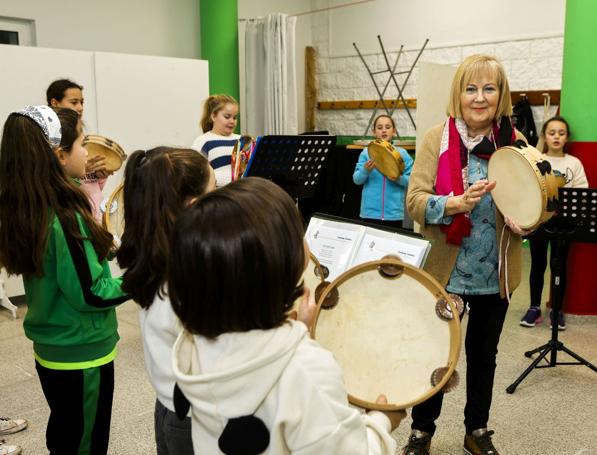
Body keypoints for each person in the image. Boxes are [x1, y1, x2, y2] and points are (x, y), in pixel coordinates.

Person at [168, 177, 404, 454]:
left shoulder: (193, 341)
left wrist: (296, 331)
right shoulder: (308, 370)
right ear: (278, 261)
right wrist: (381, 423)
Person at [405, 54, 528, 455]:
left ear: (501, 95)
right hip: (447, 273)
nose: (479, 97)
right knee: (437, 352)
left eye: (489, 88)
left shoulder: (517, 145)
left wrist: (529, 222)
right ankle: (421, 433)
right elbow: (415, 202)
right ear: (457, 94)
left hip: (495, 274)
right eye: (470, 88)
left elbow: (538, 202)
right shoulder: (434, 139)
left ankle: (476, 430)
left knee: (483, 358)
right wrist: (453, 205)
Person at [0, 106, 129, 454]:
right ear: (59, 155)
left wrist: (94, 180)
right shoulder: (66, 218)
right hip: (81, 354)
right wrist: (140, 280)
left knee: (66, 434)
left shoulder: (31, 204)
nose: (88, 153)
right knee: (84, 443)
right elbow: (91, 293)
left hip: (55, 349)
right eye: (82, 144)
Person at [116, 147, 215, 454]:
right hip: (194, 416)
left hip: (169, 403)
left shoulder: (155, 257)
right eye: (215, 193)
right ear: (195, 204)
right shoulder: (188, 276)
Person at [519, 116, 588, 330]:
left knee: (559, 266)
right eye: (551, 133)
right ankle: (533, 307)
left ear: (567, 137)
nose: (556, 137)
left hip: (565, 223)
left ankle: (557, 310)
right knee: (537, 264)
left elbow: (582, 191)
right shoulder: (536, 160)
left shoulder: (573, 163)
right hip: (539, 221)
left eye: (561, 133)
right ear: (544, 137)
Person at [47, 78, 112, 222]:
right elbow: (53, 182)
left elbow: (93, 187)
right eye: (74, 102)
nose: (80, 107)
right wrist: (80, 170)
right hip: (73, 220)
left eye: (82, 102)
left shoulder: (83, 138)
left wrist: (100, 175)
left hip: (94, 219)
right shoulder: (49, 140)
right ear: (54, 103)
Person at [353, 115, 414, 228]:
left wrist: (398, 179)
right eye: (380, 127)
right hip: (369, 214)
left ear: (394, 131)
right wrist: (365, 170)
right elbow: (357, 180)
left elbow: (414, 180)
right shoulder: (366, 153)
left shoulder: (402, 154)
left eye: (388, 127)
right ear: (374, 132)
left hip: (394, 215)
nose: (384, 130)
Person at [191, 94, 240, 187]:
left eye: (234, 117)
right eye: (227, 117)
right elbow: (195, 173)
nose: (232, 121)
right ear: (213, 116)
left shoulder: (242, 140)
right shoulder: (203, 141)